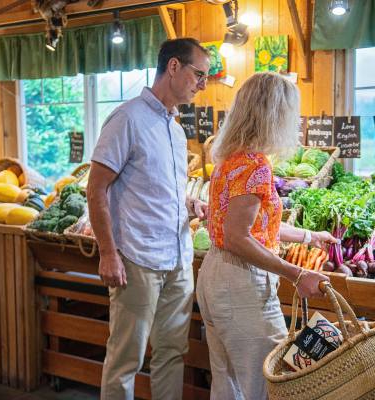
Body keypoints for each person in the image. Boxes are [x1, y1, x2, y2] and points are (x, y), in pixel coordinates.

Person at [196, 72, 338, 400]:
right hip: (242, 283)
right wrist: (296, 272)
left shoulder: (230, 158)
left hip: (216, 275)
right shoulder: (255, 166)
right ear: (275, 114)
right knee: (269, 385)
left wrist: (307, 236)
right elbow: (237, 237)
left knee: (228, 384)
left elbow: (254, 227)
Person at [87, 38, 210, 400]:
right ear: (174, 67)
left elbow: (153, 185)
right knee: (126, 358)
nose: (201, 85)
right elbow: (96, 190)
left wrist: (187, 202)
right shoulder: (127, 119)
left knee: (172, 354)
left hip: (177, 259)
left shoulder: (175, 127)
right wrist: (109, 253)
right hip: (137, 259)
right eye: (198, 74)